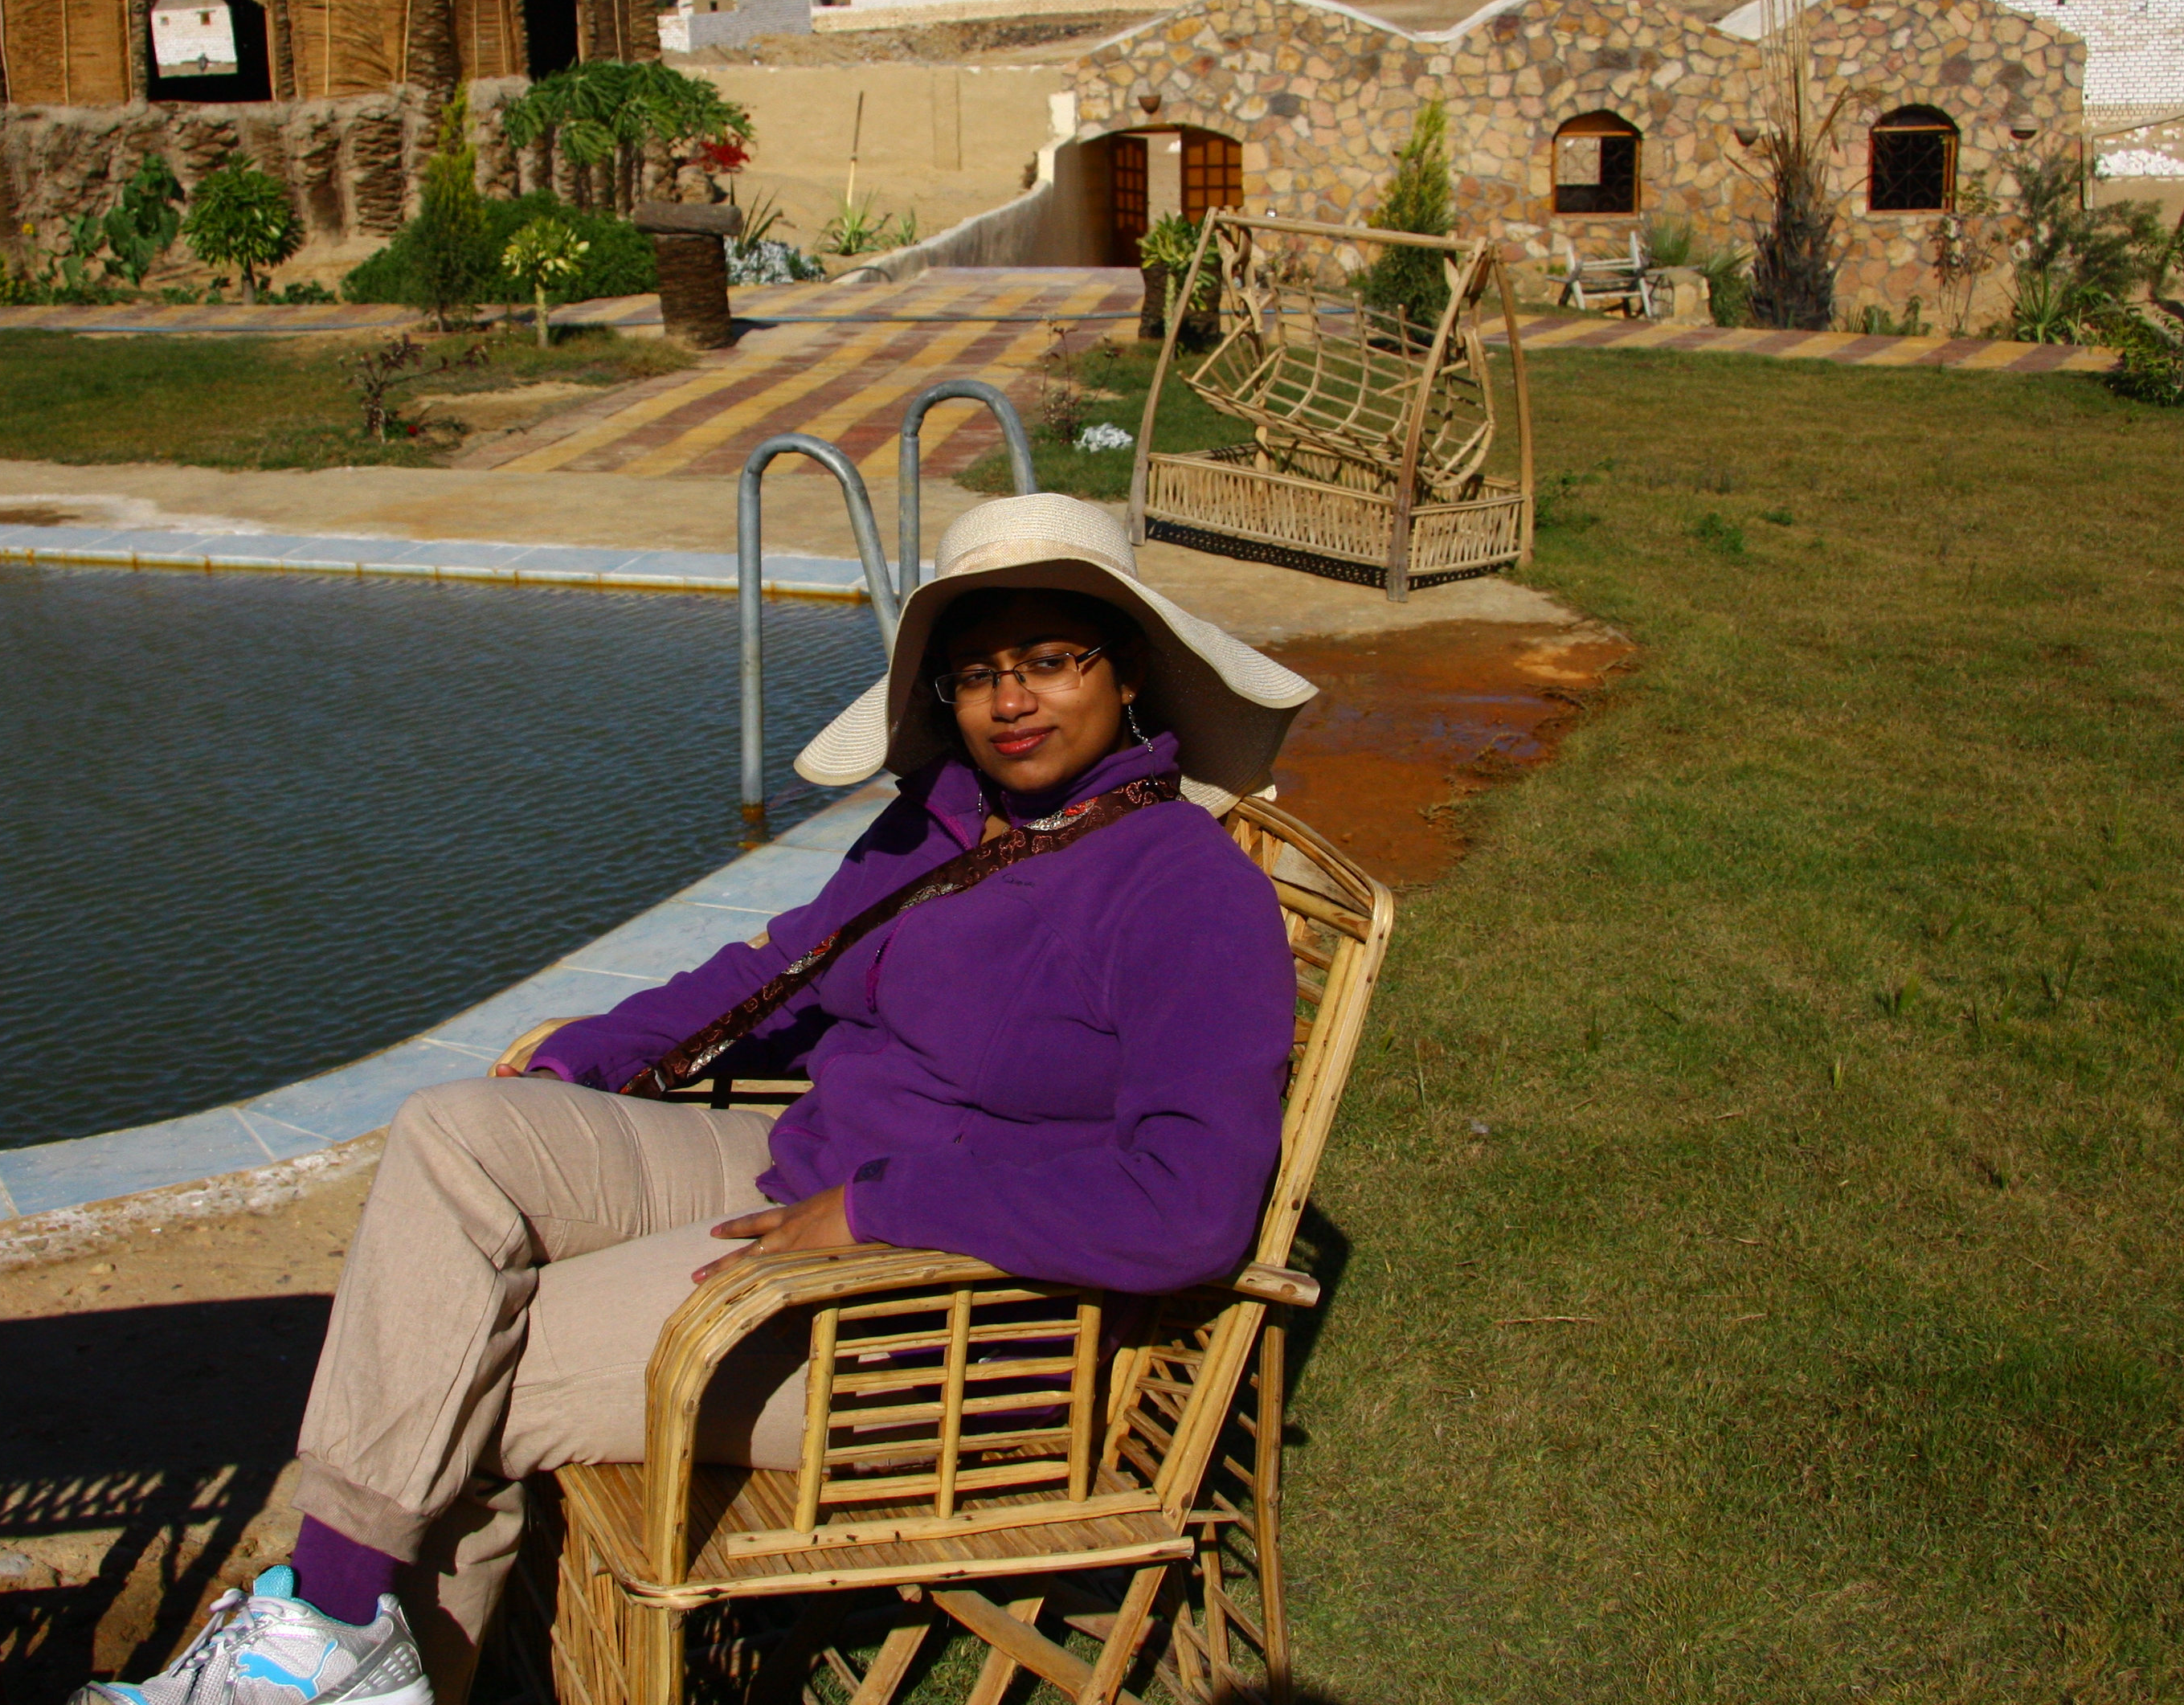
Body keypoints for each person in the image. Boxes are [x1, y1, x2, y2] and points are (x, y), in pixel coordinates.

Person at [77, 494, 1319, 1705]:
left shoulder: (1184, 891)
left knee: (460, 1371)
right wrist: (592, 1061)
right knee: (457, 1133)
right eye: (977, 672)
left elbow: (1189, 1205)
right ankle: (331, 1636)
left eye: (1049, 661)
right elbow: (776, 973)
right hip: (801, 1168)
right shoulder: (944, 823)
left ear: (1129, 672)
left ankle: (318, 1645)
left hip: (950, 1321)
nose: (1010, 701)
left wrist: (885, 1208)